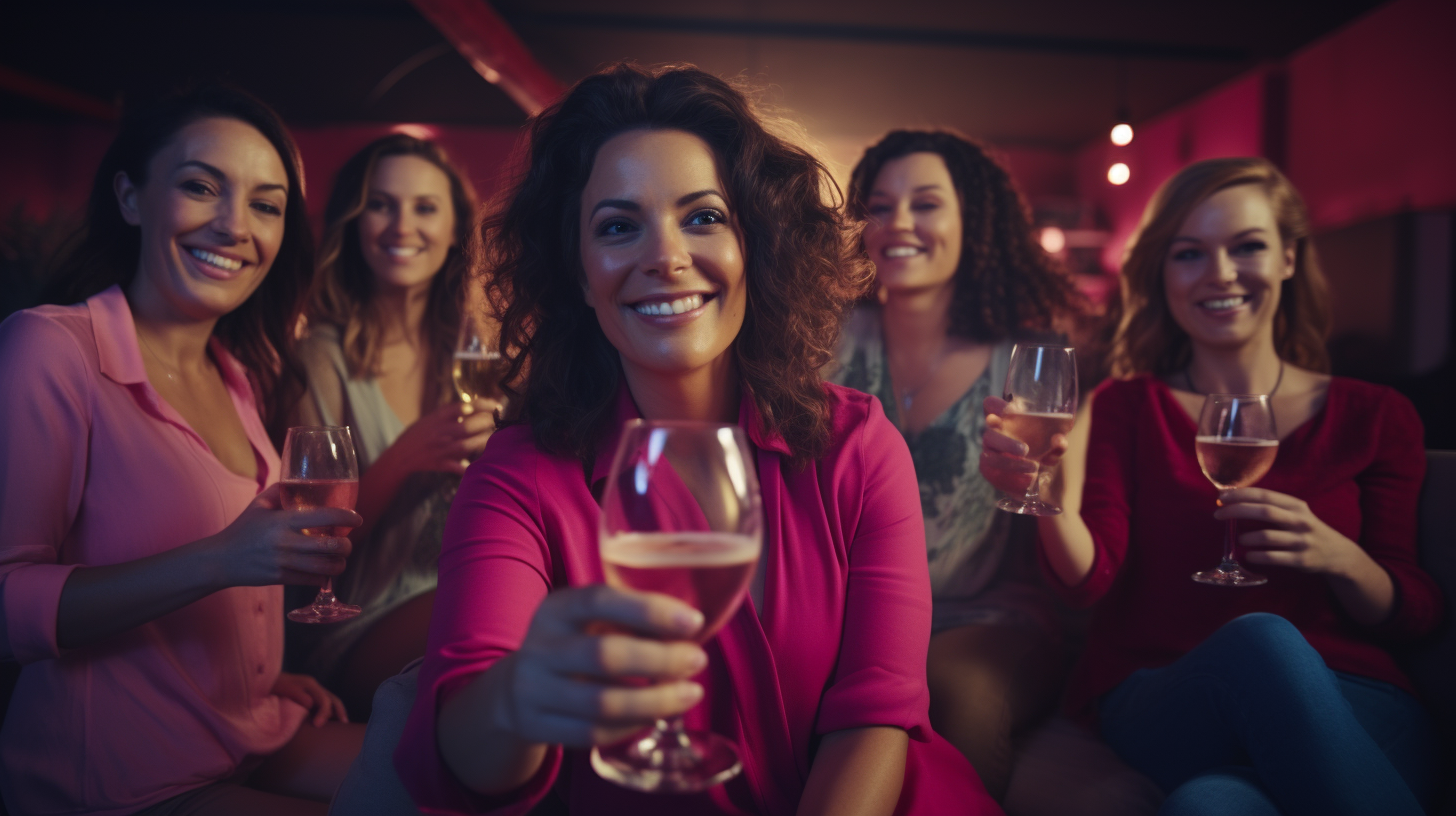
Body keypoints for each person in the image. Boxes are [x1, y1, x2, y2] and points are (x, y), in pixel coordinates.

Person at [392, 64, 1001, 815]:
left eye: (704, 217)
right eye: (619, 227)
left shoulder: (858, 446)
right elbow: (458, 759)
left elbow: (876, 719)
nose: (667, 256)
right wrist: (516, 698)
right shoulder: (517, 478)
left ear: (757, 243)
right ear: (579, 276)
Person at [982, 157, 1441, 815]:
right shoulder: (1126, 407)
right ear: (1162, 275)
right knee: (1262, 638)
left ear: (1288, 256)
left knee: (1206, 806)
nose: (1220, 273)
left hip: (1351, 703)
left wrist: (1341, 557)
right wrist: (1047, 494)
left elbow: (1416, 612)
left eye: (1247, 246)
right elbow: (1090, 581)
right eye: (1189, 253)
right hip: (1172, 697)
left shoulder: (1376, 416)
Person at [0, 85, 365, 816]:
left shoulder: (234, 374)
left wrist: (254, 678)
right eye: (202, 187)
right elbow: (7, 604)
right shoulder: (52, 348)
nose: (235, 226)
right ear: (131, 198)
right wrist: (223, 559)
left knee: (445, 771)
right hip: (114, 776)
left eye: (266, 204)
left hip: (241, 724)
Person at [830, 130, 1080, 801]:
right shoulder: (825, 339)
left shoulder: (1030, 360)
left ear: (975, 223)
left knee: (956, 690)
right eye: (878, 206)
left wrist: (1042, 483)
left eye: (926, 204)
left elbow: (1069, 527)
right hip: (853, 607)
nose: (898, 223)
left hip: (984, 616)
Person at [291, 134, 493, 720]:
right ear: (354, 222)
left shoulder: (476, 353)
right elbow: (310, 548)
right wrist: (403, 458)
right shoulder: (320, 357)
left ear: (456, 229)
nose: (402, 225)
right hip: (355, 619)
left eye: (425, 207)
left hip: (463, 588)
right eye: (381, 204)